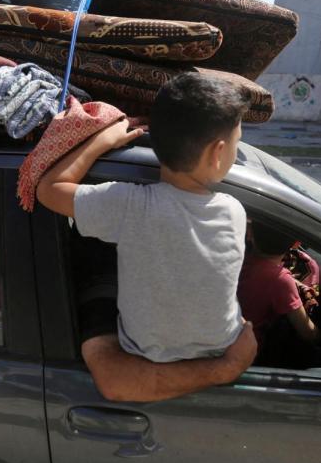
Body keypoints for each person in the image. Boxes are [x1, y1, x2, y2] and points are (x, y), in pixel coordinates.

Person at [36, 72, 257, 399]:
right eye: (236, 146)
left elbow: (48, 190)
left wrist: (102, 141)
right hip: (222, 348)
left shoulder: (128, 206)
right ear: (217, 152)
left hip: (143, 353)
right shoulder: (235, 211)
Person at [239, 221, 320, 357]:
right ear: (296, 244)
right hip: (248, 353)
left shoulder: (238, 258)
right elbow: (307, 333)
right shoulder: (280, 280)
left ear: (249, 233)